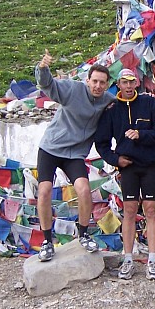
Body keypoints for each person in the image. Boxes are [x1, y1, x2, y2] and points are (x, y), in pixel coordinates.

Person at [34, 49, 115, 262]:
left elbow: (128, 106)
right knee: (44, 190)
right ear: (87, 81)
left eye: (102, 82)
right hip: (51, 148)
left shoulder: (108, 100)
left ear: (107, 84)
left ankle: (84, 233)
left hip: (75, 154)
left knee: (84, 189)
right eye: (94, 81)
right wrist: (43, 68)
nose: (98, 86)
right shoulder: (72, 90)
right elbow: (48, 85)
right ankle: (46, 241)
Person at [95, 68, 155, 280]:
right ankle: (128, 259)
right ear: (118, 84)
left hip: (150, 164)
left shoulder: (150, 103)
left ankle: (152, 259)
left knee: (151, 208)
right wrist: (115, 160)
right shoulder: (112, 110)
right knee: (129, 210)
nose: (128, 86)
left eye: (131, 82)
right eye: (123, 82)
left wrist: (140, 134)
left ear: (137, 83)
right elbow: (101, 142)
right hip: (128, 166)